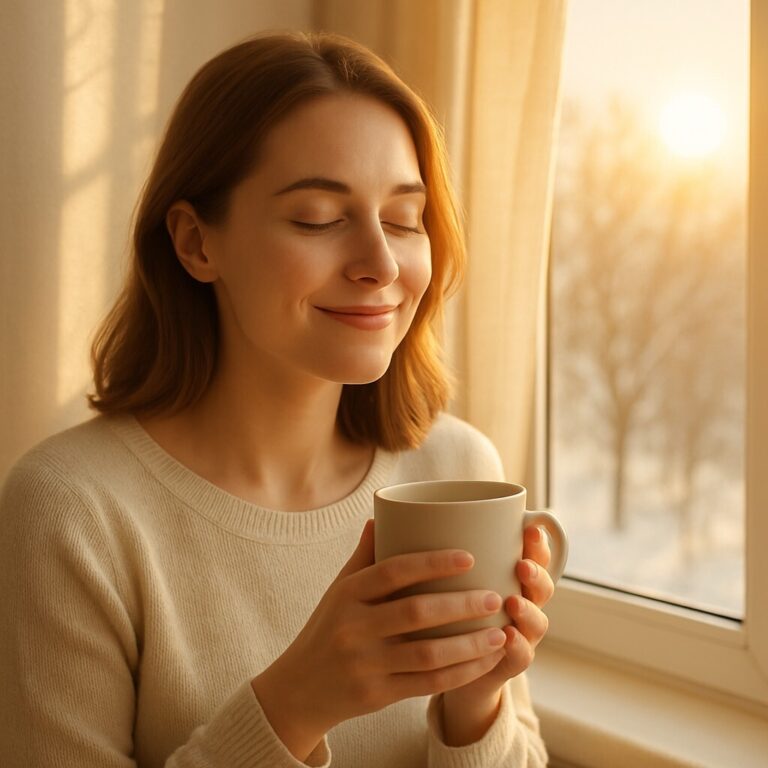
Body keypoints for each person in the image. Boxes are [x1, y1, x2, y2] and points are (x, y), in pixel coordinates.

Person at [0, 31, 555, 767]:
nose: (381, 264)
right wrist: (296, 704)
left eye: (403, 219)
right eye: (320, 218)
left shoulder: (455, 468)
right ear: (197, 243)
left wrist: (474, 704)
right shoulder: (69, 511)